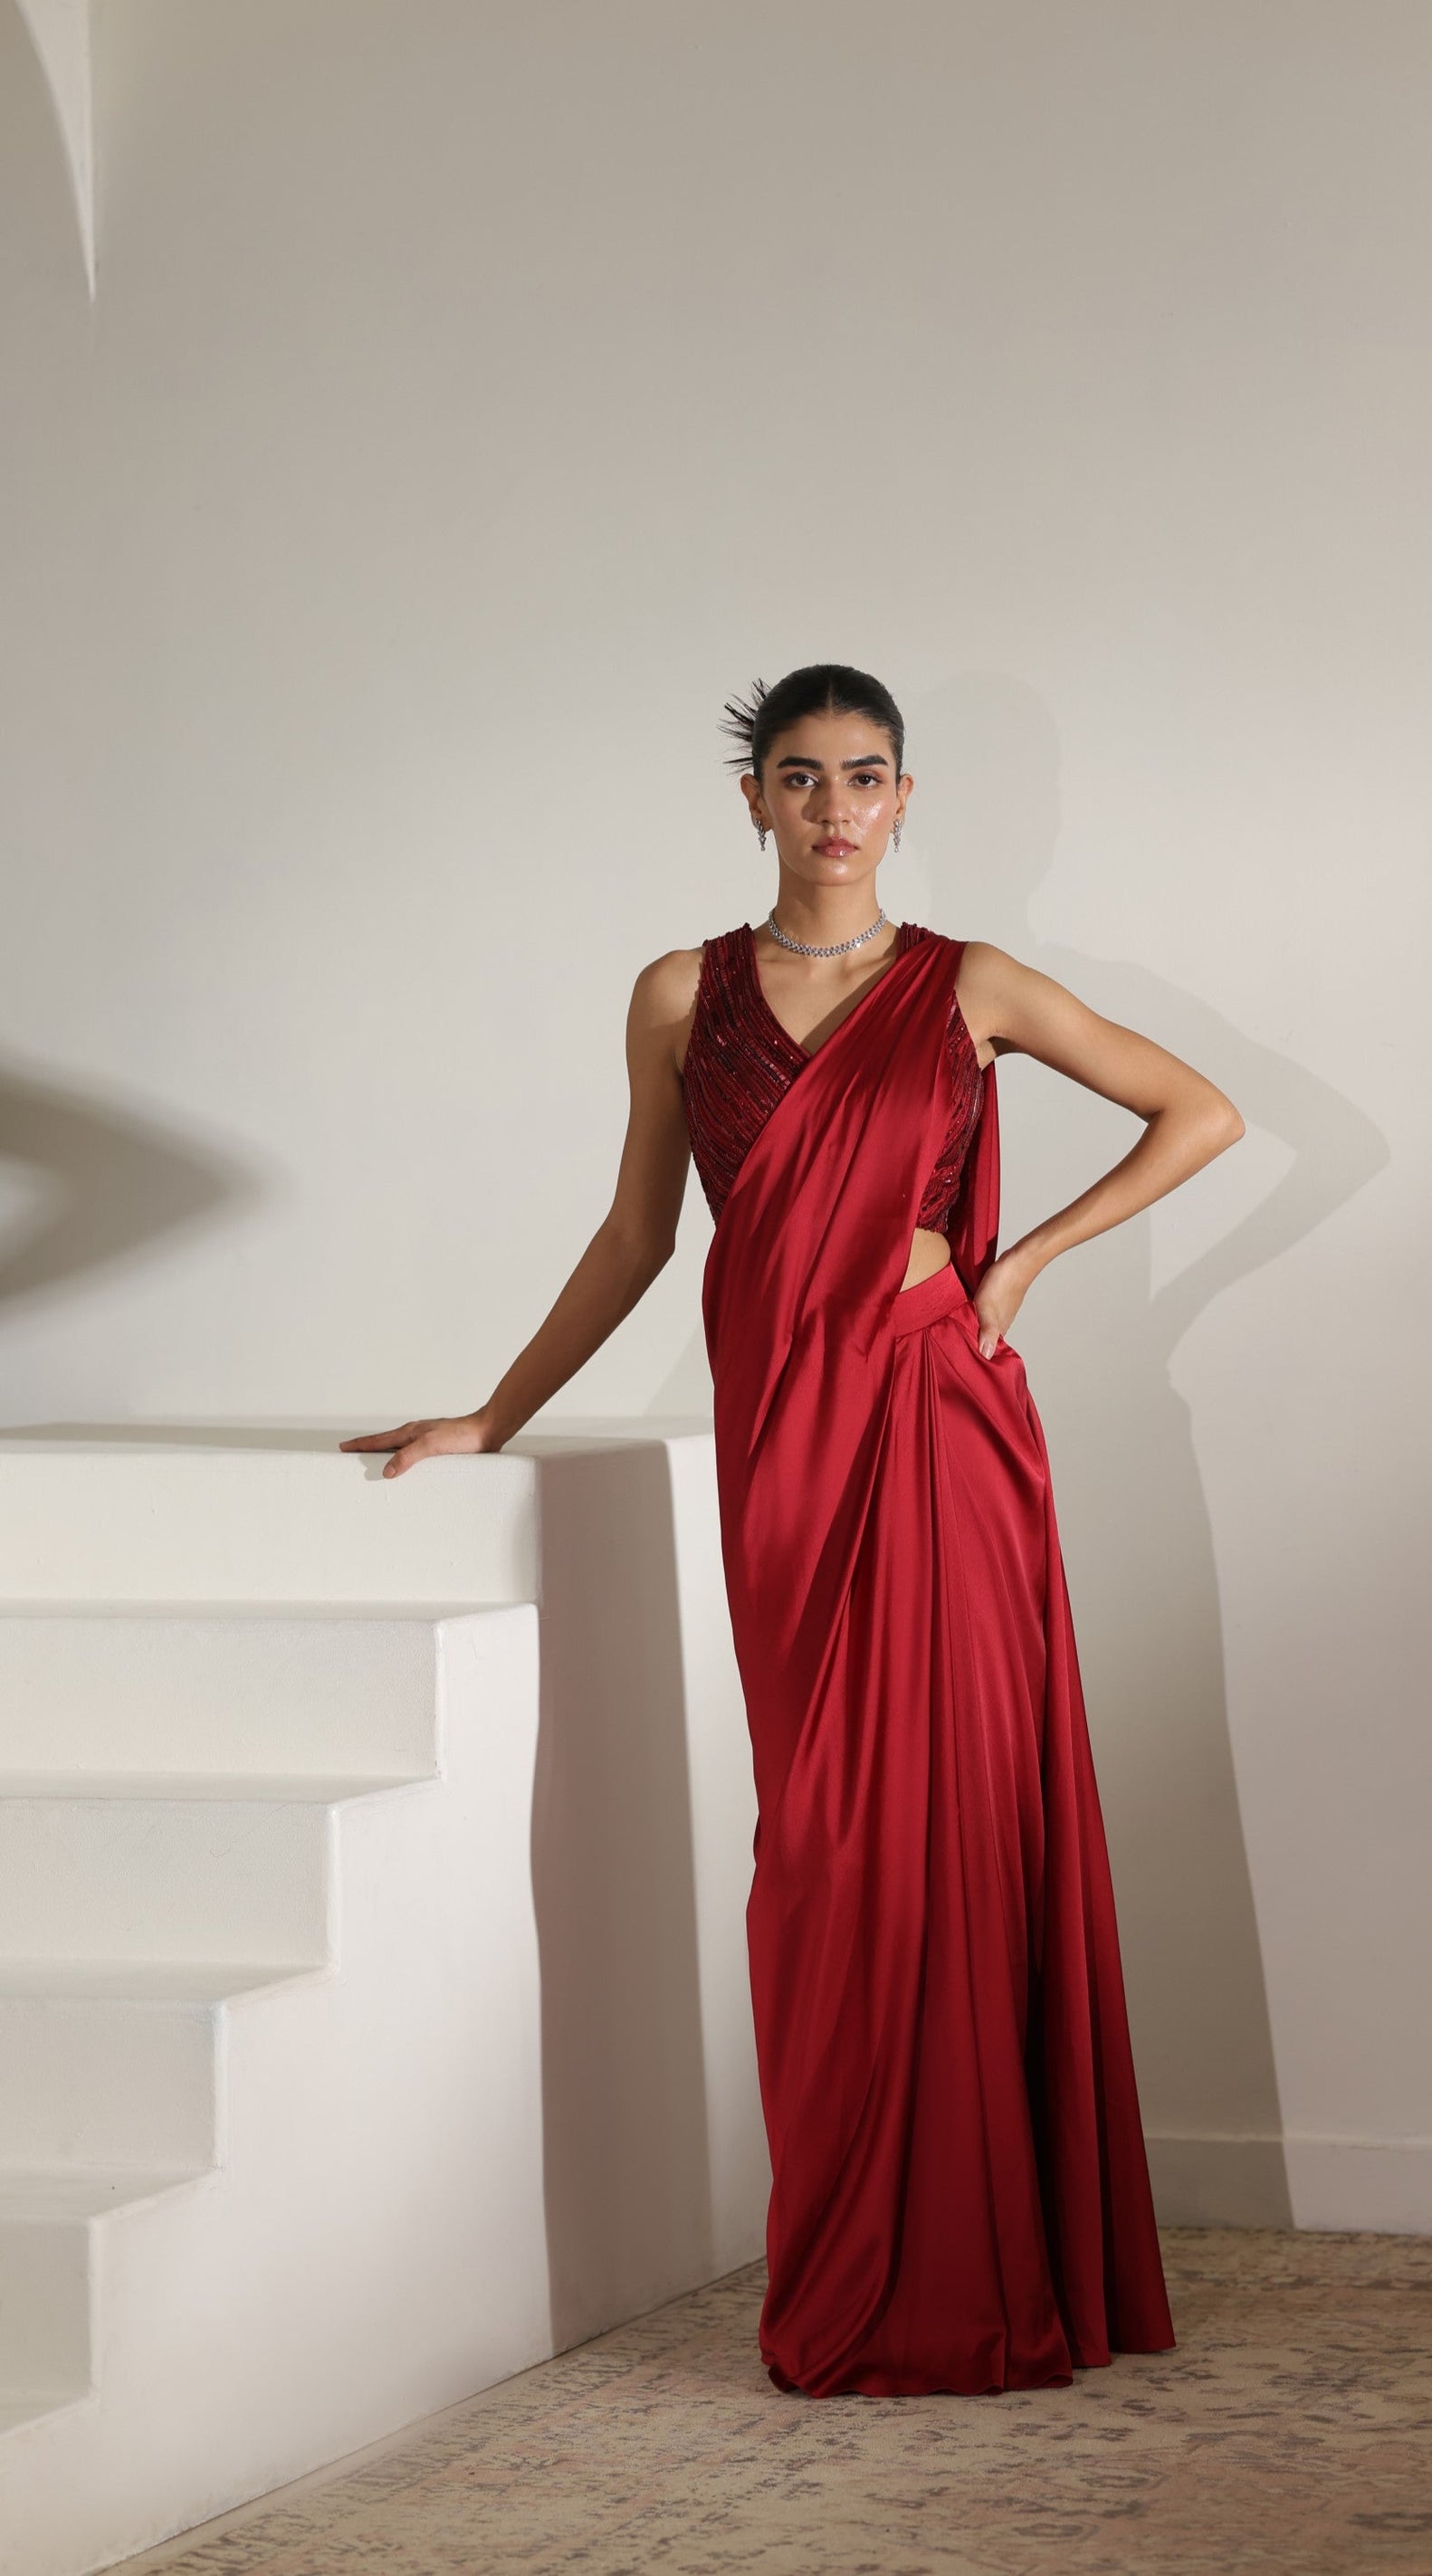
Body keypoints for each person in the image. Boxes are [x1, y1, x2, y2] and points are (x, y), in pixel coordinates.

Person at [342, 663, 1245, 2397]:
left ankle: (983, 2263)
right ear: (754, 800)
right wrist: (488, 1415)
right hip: (785, 1456)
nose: (837, 806)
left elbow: (1194, 1112)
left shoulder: (968, 984)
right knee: (826, 1850)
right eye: (802, 775)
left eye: (868, 774)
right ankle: (863, 2249)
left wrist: (1016, 1264)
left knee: (962, 1826)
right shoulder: (680, 996)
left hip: (936, 1427)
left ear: (908, 799)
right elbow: (633, 1237)